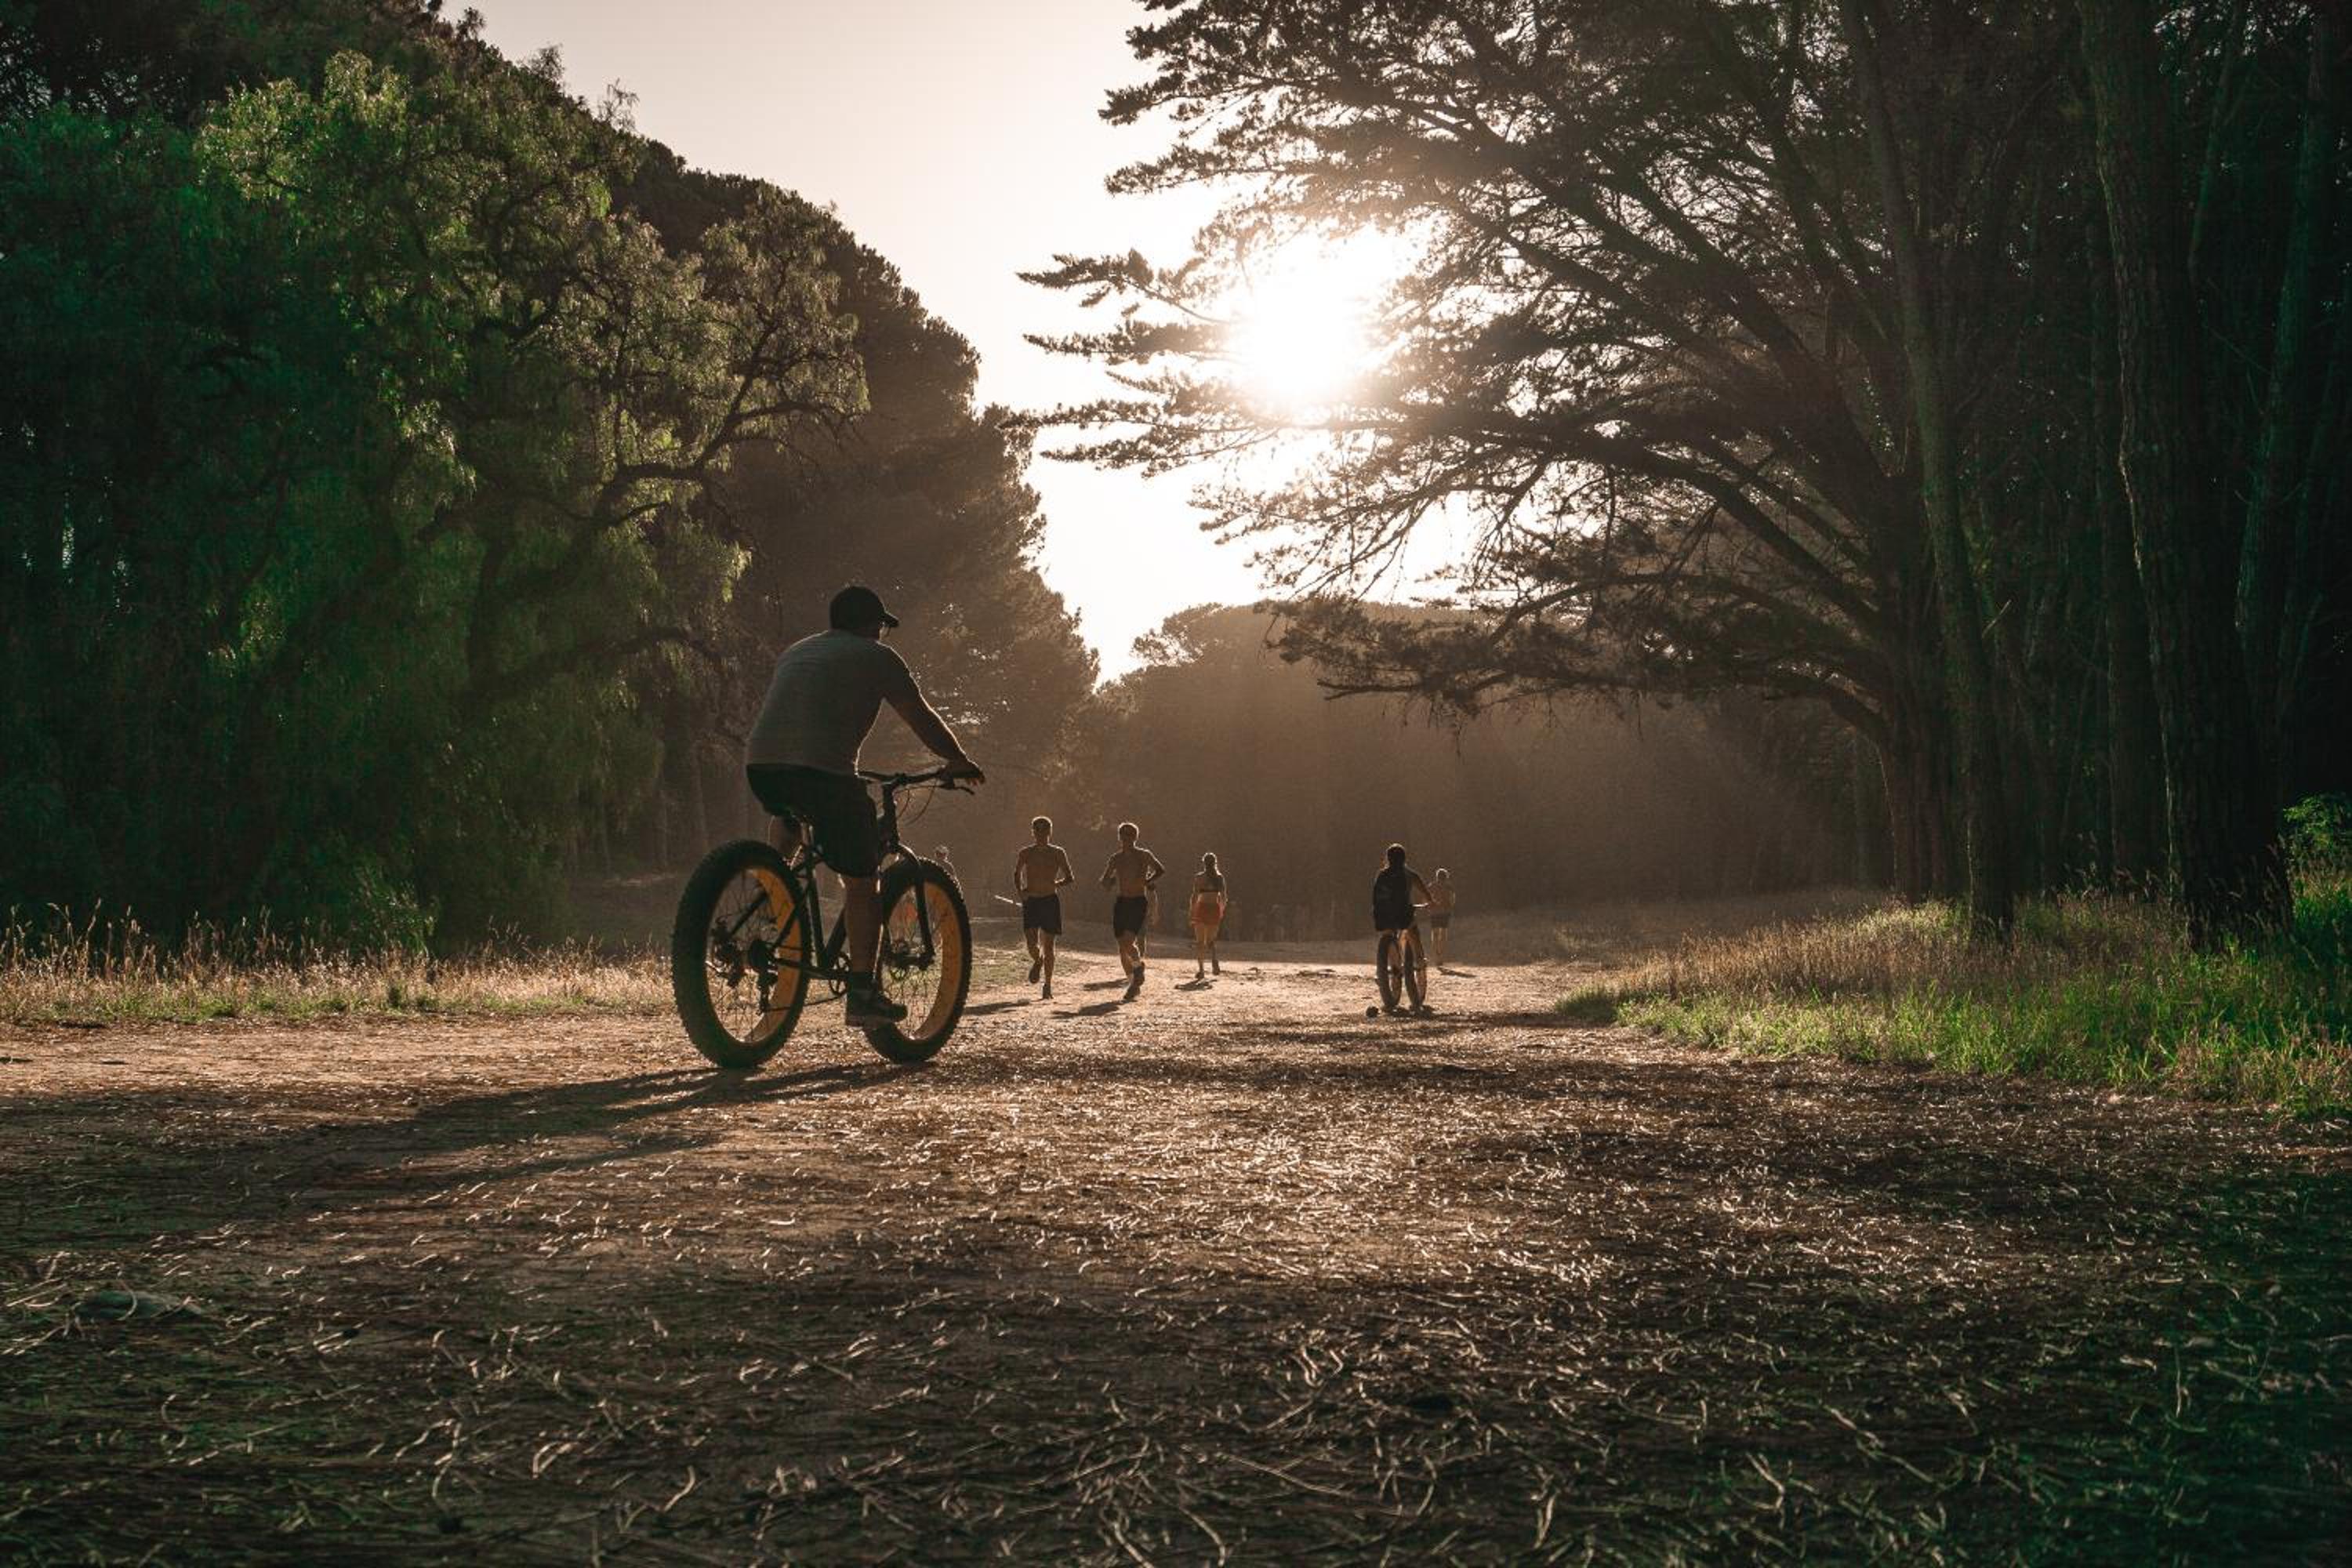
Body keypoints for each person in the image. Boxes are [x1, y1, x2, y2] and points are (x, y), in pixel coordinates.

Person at [744, 584, 983, 1026]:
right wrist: (956, 760)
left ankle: (772, 895)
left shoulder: (798, 650)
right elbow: (920, 716)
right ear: (873, 625)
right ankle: (862, 993)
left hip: (762, 767)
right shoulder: (878, 656)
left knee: (790, 812)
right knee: (862, 880)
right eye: (881, 627)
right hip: (823, 775)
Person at [1099, 822, 1165, 1000]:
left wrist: (1147, 881)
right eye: (1124, 835)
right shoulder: (1116, 858)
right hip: (1121, 902)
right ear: (1119, 837)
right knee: (1122, 947)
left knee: (1128, 941)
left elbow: (1160, 869)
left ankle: (1137, 971)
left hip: (1137, 902)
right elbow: (1105, 880)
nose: (1127, 838)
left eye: (1130, 835)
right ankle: (1134, 981)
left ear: (1136, 837)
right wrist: (1109, 882)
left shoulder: (1144, 855)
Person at [1013, 815, 1075, 1000]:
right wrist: (1021, 892)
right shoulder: (1026, 852)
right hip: (1031, 901)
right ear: (1033, 832)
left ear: (1050, 832)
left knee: (1049, 945)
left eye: (1044, 830)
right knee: (1031, 943)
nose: (1041, 834)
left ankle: (1048, 984)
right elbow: (1017, 873)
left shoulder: (1058, 852)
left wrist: (1055, 884)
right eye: (1037, 830)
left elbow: (1070, 877)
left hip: (1050, 901)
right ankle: (1038, 961)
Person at [1370, 842, 1433, 1013]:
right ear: (1404, 859)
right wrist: (1430, 902)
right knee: (1412, 928)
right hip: (1403, 915)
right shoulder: (1409, 874)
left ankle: (1386, 969)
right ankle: (1419, 961)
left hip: (1382, 916)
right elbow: (1425, 892)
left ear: (1387, 859)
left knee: (1387, 933)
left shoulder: (1381, 875)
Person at [1189, 852, 1229, 979]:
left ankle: (1201, 970)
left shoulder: (1199, 877)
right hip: (1214, 908)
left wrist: (1192, 911)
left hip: (1202, 908)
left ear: (1204, 863)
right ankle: (1214, 958)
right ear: (1215, 863)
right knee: (1211, 940)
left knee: (1200, 942)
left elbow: (1194, 896)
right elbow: (1224, 897)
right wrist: (1221, 910)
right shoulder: (1220, 878)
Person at [1428, 866, 1458, 965]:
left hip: (1434, 913)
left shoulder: (1431, 886)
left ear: (1437, 876)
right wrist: (1449, 907)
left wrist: (1430, 907)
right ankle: (1441, 956)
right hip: (1445, 912)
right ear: (1446, 877)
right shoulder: (1449, 887)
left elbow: (1426, 899)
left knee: (1435, 933)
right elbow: (1452, 900)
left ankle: (1436, 955)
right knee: (1444, 934)